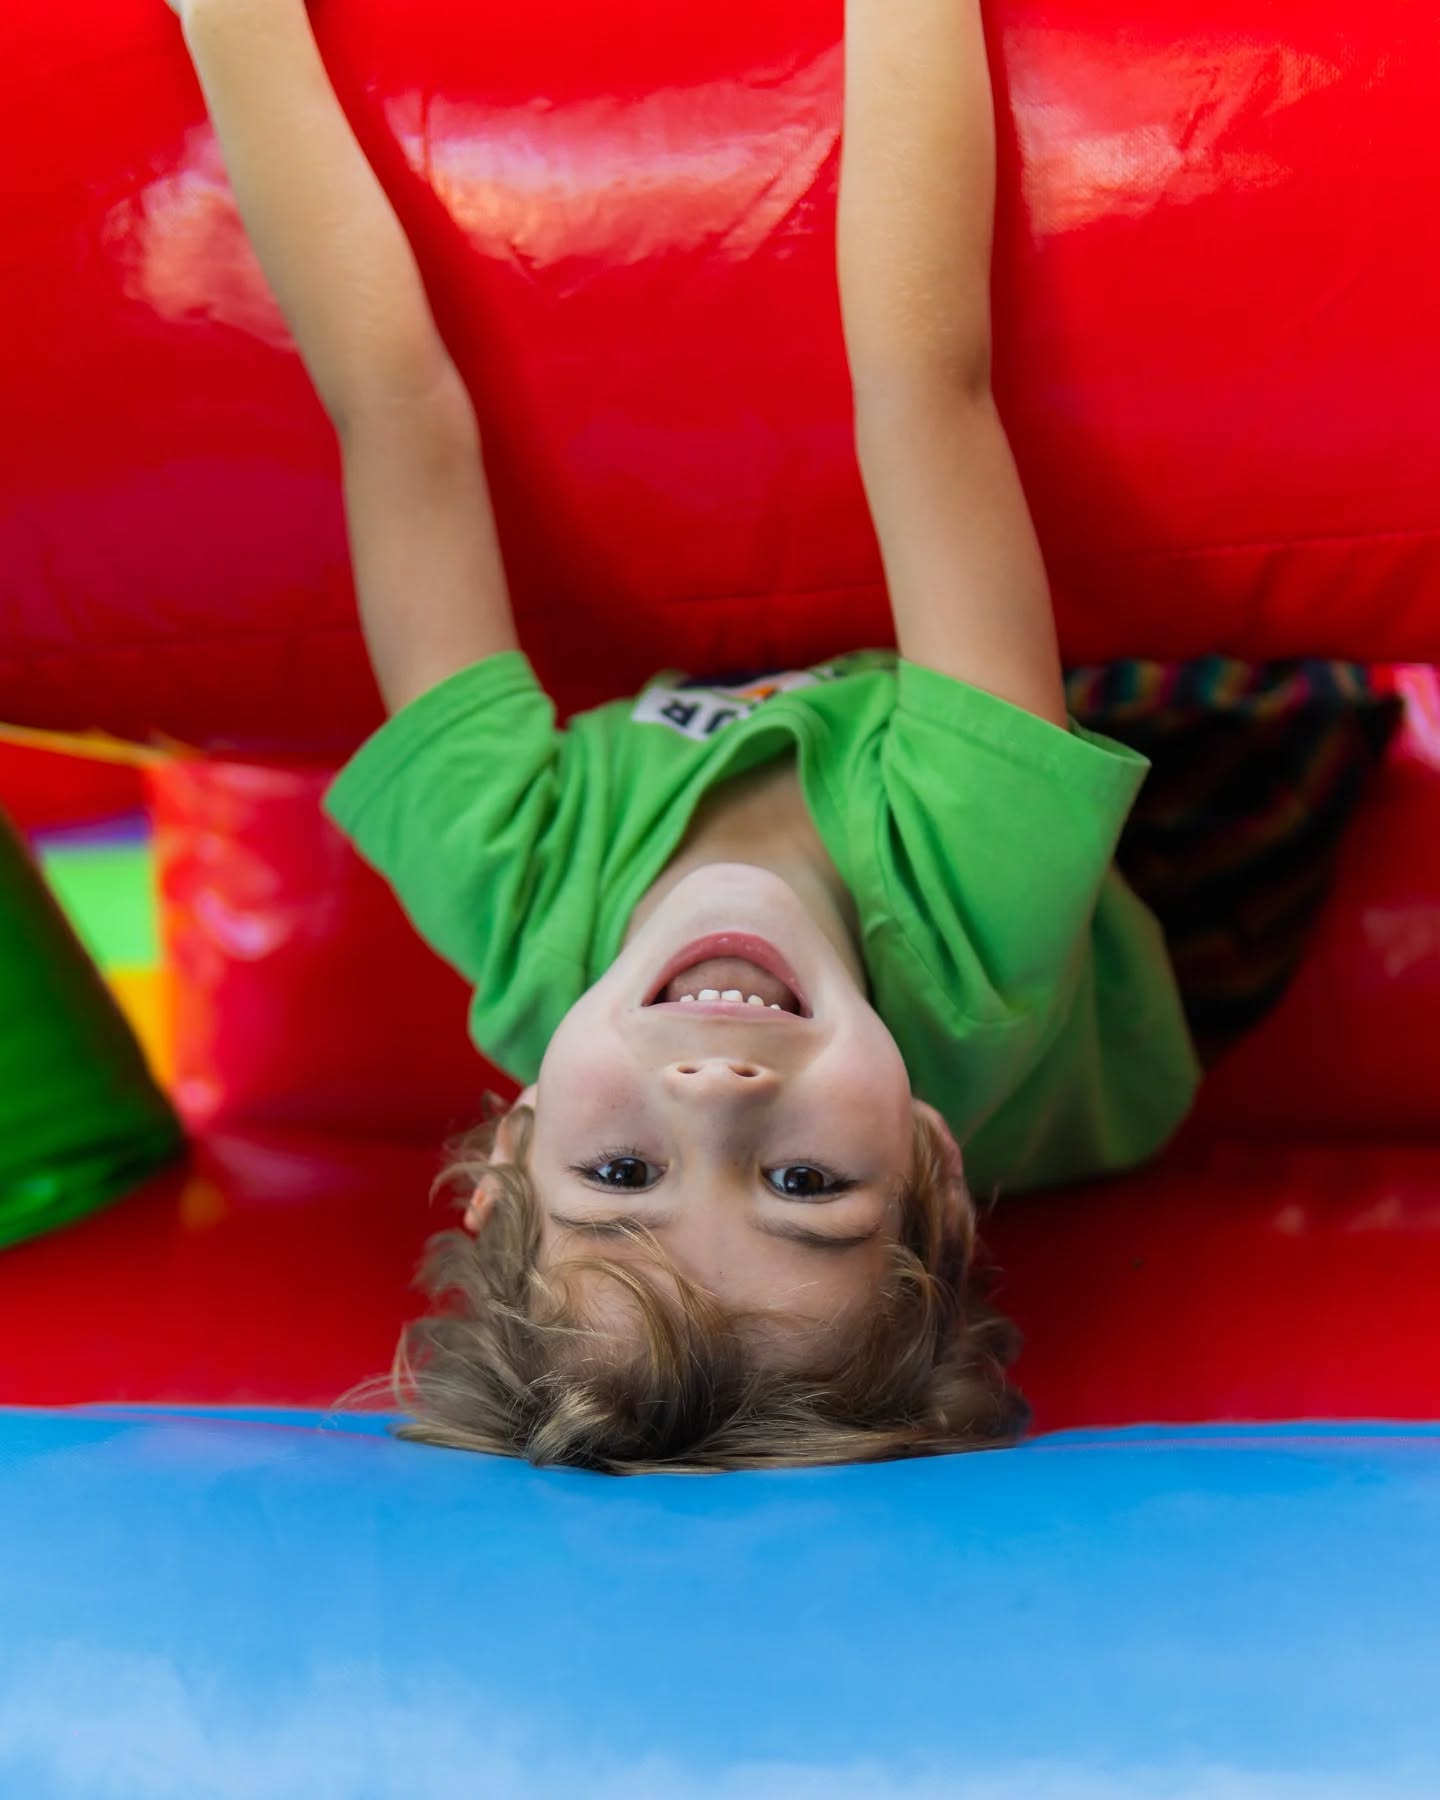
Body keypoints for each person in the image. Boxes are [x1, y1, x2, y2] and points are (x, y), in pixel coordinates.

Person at [168, 0, 1203, 1471]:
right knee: (1249, 741)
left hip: (806, 755)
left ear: (514, 1143)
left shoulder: (511, 883)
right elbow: (927, 391)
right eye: (804, 1183)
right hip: (1128, 1039)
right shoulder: (984, 876)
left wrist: (235, 28)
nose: (715, 1100)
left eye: (620, 1170)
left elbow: (395, 416)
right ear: (924, 1160)